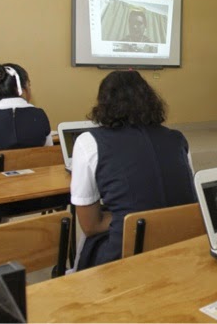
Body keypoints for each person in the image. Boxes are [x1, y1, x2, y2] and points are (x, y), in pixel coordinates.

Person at [70, 70, 196, 270]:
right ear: (150, 100)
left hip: (126, 256)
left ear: (103, 103)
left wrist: (129, 215)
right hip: (182, 249)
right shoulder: (177, 139)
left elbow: (90, 225)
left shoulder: (89, 142)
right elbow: (186, 196)